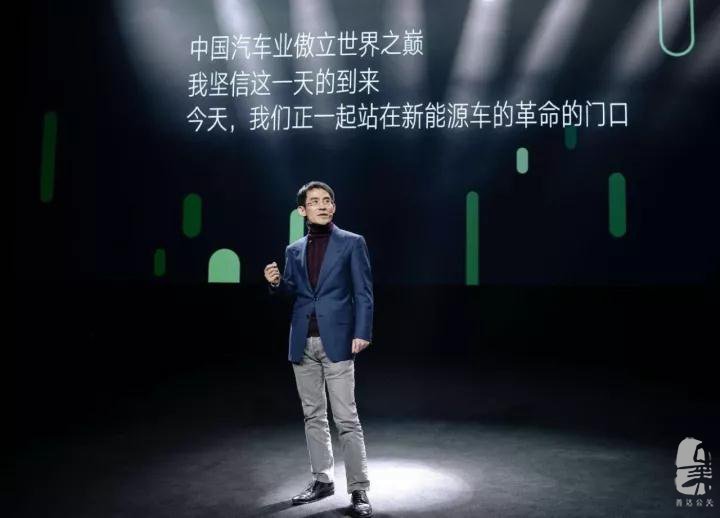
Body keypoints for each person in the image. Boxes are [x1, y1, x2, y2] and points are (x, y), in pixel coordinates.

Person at [264, 181, 374, 517]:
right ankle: (322, 480)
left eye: (327, 201)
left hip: (338, 340)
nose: (323, 205)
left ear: (334, 207)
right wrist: (276, 284)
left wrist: (362, 332)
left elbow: (363, 292)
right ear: (302, 210)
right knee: (313, 416)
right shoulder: (293, 250)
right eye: (315, 202)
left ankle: (358, 490)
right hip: (302, 341)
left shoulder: (352, 243)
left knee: (346, 419)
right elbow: (294, 294)